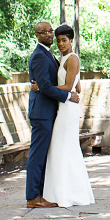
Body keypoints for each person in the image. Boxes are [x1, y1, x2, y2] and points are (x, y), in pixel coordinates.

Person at [39, 24, 95, 208]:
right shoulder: (63, 58)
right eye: (58, 41)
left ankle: (66, 194)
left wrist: (43, 88)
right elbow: (78, 87)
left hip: (68, 109)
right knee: (64, 149)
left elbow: (69, 87)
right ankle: (68, 192)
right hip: (66, 106)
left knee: (62, 148)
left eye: (64, 40)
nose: (61, 44)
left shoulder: (72, 59)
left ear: (72, 40)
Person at [25, 21, 79, 209]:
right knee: (37, 155)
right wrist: (67, 96)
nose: (49, 35)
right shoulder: (39, 56)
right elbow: (46, 87)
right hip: (41, 112)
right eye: (44, 32)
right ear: (36, 36)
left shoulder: (51, 54)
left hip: (49, 111)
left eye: (50, 31)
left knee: (44, 154)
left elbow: (51, 83)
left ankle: (42, 194)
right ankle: (33, 196)